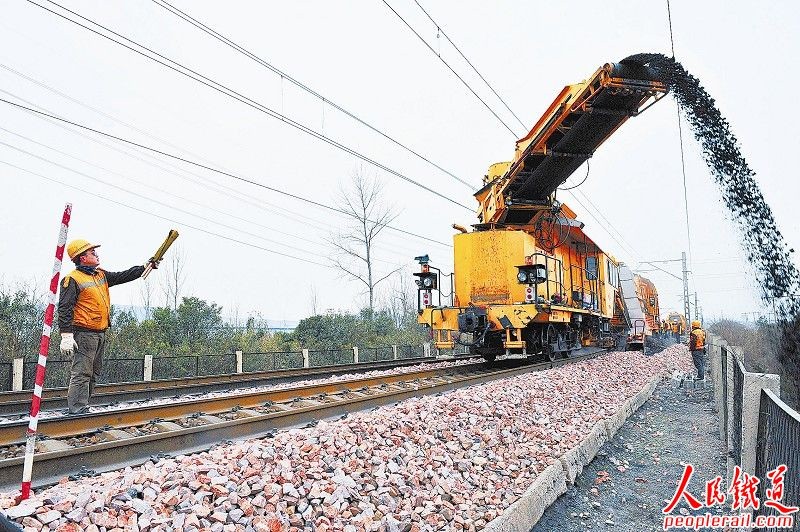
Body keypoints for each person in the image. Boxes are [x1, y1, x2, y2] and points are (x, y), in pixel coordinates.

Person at [58, 239, 159, 414]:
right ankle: (77, 409)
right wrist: (66, 335)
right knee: (82, 372)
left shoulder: (100, 275)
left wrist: (145, 267)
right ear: (82, 258)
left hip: (100, 332)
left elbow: (123, 275)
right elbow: (65, 308)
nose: (96, 254)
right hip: (84, 333)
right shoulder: (72, 279)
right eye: (92, 252)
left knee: (93, 373)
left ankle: (82, 406)